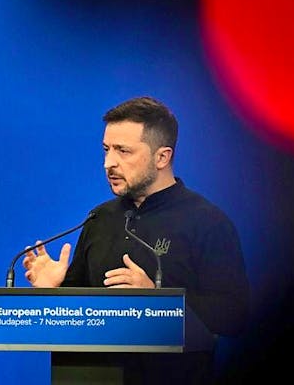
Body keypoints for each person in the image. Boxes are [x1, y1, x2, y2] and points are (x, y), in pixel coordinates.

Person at [22, 97, 250, 337]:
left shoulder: (206, 222)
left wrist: (158, 301)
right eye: (106, 150)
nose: (108, 163)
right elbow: (80, 317)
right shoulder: (99, 218)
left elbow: (234, 315)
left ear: (162, 157)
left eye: (123, 151)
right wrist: (55, 290)